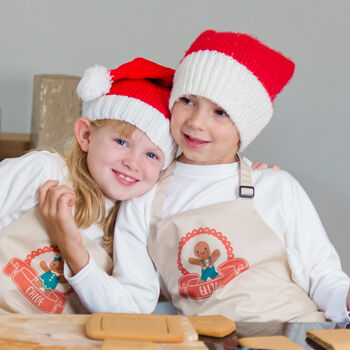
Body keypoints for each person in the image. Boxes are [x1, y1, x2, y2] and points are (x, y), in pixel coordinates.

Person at [90, 30, 350, 322]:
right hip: (209, 341)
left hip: (299, 333)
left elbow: (324, 277)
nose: (196, 122)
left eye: (221, 112)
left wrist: (346, 298)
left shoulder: (276, 186)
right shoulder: (144, 197)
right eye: (187, 100)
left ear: (245, 127)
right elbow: (133, 299)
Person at [0, 57, 177, 314]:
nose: (132, 163)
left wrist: (73, 249)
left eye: (152, 155)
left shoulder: (137, 223)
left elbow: (131, 311)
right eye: (121, 142)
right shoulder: (45, 171)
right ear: (86, 135)